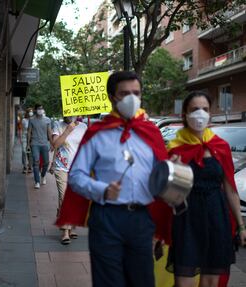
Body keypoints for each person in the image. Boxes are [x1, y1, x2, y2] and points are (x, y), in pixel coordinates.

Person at [56, 71, 169, 287]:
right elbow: (76, 176)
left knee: (142, 281)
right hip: (107, 218)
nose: (131, 98)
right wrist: (101, 189)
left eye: (136, 93)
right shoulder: (97, 133)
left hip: (141, 220)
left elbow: (161, 176)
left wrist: (173, 177)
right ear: (111, 97)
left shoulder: (151, 132)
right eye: (124, 93)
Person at [166, 91, 246, 287]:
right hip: (187, 220)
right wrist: (174, 174)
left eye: (205, 109)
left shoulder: (221, 147)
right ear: (184, 114)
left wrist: (241, 225)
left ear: (210, 114)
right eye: (195, 109)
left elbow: (231, 190)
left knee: (211, 281)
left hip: (216, 218)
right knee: (183, 281)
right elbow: (167, 197)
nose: (200, 113)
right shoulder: (175, 149)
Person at [52, 116, 87, 245]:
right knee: (64, 196)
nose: (67, 114)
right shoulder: (58, 125)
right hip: (62, 167)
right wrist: (67, 131)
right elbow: (55, 144)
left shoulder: (83, 127)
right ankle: (66, 232)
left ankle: (71, 224)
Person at [27, 104, 52, 189]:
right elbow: (29, 132)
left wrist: (52, 143)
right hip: (35, 144)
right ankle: (37, 182)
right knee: (36, 162)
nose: (40, 110)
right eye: (38, 109)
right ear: (35, 110)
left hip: (45, 144)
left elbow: (49, 132)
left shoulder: (47, 120)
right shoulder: (31, 120)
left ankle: (43, 175)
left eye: (41, 108)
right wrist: (28, 144)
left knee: (46, 162)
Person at [21, 108, 33, 174]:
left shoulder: (33, 120)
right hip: (24, 138)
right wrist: (21, 138)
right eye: (29, 112)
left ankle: (30, 166)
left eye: (31, 112)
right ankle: (24, 166)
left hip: (31, 138)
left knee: (30, 153)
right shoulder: (24, 120)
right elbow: (22, 129)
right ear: (27, 113)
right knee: (23, 151)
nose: (30, 113)